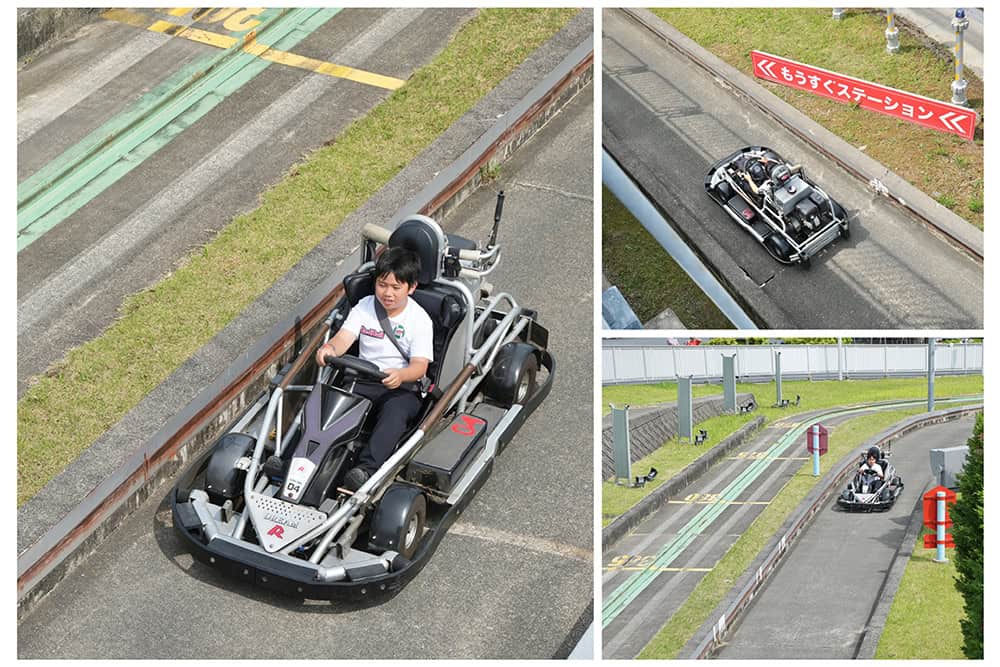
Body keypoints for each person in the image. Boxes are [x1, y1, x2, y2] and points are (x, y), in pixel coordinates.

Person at [315, 246, 434, 491]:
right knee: (326, 402)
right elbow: (344, 338)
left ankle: (365, 471)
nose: (387, 293)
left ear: (411, 288)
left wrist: (400, 375)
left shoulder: (420, 320)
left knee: (394, 414)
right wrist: (329, 349)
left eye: (396, 287)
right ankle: (298, 459)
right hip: (362, 379)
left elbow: (420, 367)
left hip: (400, 387)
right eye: (382, 285)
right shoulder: (365, 306)